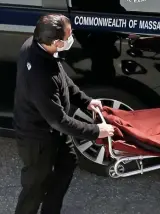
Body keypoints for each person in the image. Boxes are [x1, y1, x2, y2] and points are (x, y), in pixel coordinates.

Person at [12, 14, 114, 214]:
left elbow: (62, 78)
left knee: (67, 163)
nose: (72, 37)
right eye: (69, 35)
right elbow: (58, 120)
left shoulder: (38, 44)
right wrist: (96, 131)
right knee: (35, 186)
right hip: (37, 138)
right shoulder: (39, 75)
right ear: (57, 42)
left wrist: (86, 101)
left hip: (54, 131)